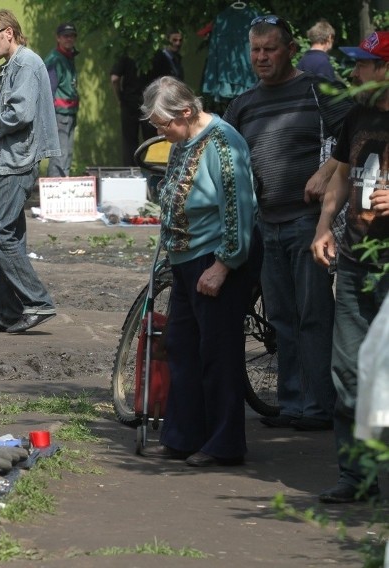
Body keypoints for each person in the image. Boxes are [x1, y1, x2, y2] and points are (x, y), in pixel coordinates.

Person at [223, 15, 352, 431]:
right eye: (255, 50)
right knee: (280, 318)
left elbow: (360, 135)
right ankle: (293, 404)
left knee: (314, 316)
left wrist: (329, 171)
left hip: (309, 223)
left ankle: (319, 407)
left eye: (270, 49)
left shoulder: (319, 91)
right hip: (266, 224)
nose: (261, 57)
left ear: (290, 50)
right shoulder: (243, 104)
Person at [138, 77, 259, 467]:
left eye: (162, 124)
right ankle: (183, 436)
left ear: (186, 112)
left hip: (216, 260)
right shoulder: (182, 140)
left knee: (218, 353)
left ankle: (224, 445)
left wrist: (224, 265)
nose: (160, 131)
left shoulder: (224, 143)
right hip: (186, 260)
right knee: (181, 346)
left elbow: (240, 208)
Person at [310, 31, 389, 504]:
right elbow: (341, 172)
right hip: (358, 261)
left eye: (367, 65)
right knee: (350, 371)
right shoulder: (357, 114)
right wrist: (324, 226)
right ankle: (357, 478)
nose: (356, 74)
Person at [0, 8, 59, 334]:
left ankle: (38, 302)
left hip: (16, 163)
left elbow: (21, 115)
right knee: (10, 238)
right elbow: (16, 110)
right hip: (11, 160)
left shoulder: (27, 63)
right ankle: (8, 312)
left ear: (8, 32)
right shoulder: (15, 66)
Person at [44, 22, 79, 178]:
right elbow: (48, 91)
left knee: (67, 154)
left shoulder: (68, 56)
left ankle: (63, 194)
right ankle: (54, 193)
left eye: (72, 36)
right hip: (59, 115)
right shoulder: (55, 59)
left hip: (69, 113)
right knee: (59, 156)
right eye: (66, 36)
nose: (69, 39)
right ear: (58, 38)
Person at [110, 56, 156, 167]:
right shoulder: (153, 53)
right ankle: (153, 169)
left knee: (129, 141)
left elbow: (114, 79)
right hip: (148, 103)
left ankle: (130, 172)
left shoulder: (127, 53)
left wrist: (119, 98)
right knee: (152, 140)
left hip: (129, 102)